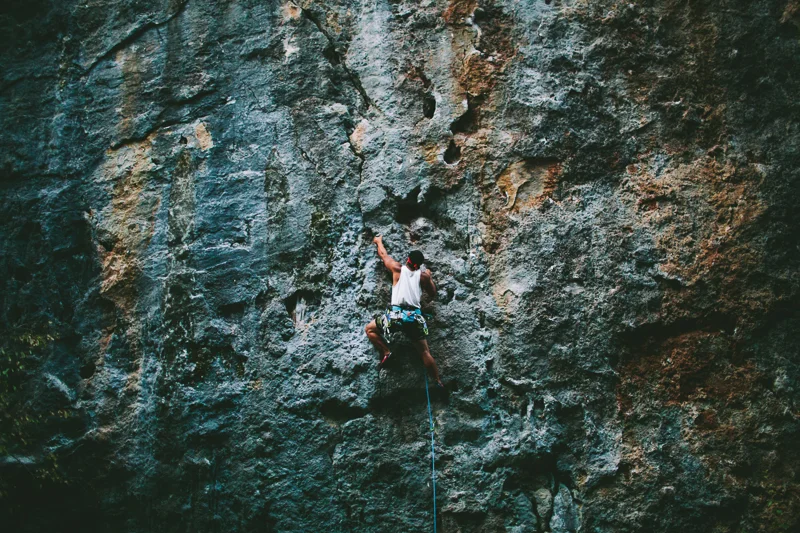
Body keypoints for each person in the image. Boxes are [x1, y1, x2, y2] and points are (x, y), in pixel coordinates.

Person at [364, 235, 444, 388]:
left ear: (407, 259)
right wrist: (429, 276)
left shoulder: (397, 269)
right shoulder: (423, 277)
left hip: (395, 316)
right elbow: (433, 293)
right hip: (414, 318)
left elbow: (383, 255)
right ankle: (438, 381)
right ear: (418, 265)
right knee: (424, 352)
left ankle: (387, 352)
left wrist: (378, 241)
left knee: (369, 329)